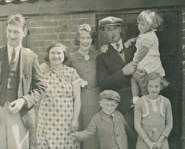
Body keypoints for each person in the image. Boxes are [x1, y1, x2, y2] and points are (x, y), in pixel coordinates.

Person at [0, 14, 45, 149]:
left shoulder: (31, 57)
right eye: (9, 31)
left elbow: (41, 88)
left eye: (16, 32)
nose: (12, 35)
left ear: (24, 32)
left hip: (19, 114)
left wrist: (24, 100)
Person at [96, 16, 137, 149]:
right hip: (120, 105)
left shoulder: (132, 47)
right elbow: (103, 83)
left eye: (115, 28)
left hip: (139, 100)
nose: (112, 32)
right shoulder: (102, 55)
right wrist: (122, 73)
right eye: (108, 30)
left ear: (120, 29)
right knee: (123, 139)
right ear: (104, 33)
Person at [37, 42, 81, 149]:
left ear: (64, 55)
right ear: (48, 55)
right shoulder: (42, 72)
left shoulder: (71, 72)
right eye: (53, 53)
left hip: (66, 119)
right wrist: (40, 68)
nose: (56, 56)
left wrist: (75, 119)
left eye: (59, 53)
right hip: (47, 119)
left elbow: (77, 98)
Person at [68, 23, 99, 149]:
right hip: (77, 99)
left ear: (92, 40)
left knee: (92, 130)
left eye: (88, 38)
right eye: (82, 38)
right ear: (78, 39)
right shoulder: (71, 57)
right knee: (78, 128)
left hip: (94, 98)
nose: (85, 41)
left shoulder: (98, 55)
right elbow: (65, 75)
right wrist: (76, 81)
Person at [128, 10, 165, 104]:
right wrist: (132, 40)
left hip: (149, 65)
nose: (139, 26)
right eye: (138, 24)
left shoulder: (150, 37)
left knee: (143, 83)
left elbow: (143, 51)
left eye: (142, 24)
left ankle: (145, 100)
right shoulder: (144, 34)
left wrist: (135, 61)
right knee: (135, 79)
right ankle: (136, 98)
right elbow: (139, 38)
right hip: (145, 64)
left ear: (150, 25)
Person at [134, 72, 173, 149]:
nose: (153, 89)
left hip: (161, 142)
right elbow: (137, 125)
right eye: (150, 86)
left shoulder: (166, 101)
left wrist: (161, 140)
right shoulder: (140, 102)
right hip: (144, 141)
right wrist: (148, 142)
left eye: (156, 86)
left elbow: (169, 124)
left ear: (161, 86)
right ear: (146, 86)